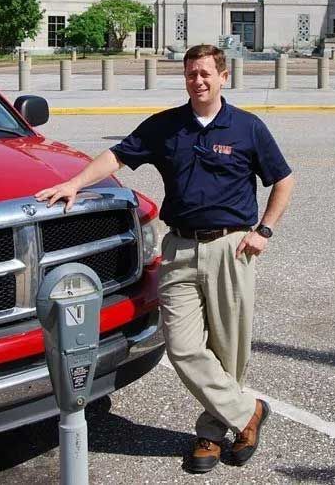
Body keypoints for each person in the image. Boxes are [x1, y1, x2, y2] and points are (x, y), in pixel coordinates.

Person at [35, 44, 295, 473]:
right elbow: (118, 155)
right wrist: (75, 183)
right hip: (178, 248)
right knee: (183, 347)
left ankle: (211, 434)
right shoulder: (166, 127)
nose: (198, 81)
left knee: (229, 350)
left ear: (224, 77)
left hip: (231, 248)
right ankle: (249, 412)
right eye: (192, 74)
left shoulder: (247, 128)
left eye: (206, 73)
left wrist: (264, 230)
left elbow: (283, 179)